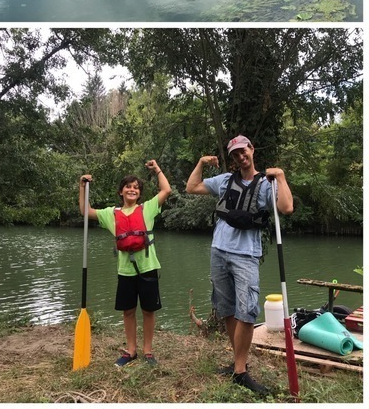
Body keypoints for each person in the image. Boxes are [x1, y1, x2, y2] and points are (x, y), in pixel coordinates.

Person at [186, 135, 294, 395]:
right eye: (235, 154)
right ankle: (239, 366)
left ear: (251, 150)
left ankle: (241, 371)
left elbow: (287, 207)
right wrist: (201, 163)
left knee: (246, 312)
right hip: (218, 251)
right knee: (227, 310)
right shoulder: (225, 180)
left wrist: (280, 177)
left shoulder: (266, 184)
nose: (240, 156)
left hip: (246, 255)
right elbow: (192, 187)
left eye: (243, 151)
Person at [79, 160, 172, 367]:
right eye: (128, 186)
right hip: (125, 271)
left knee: (148, 311)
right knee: (128, 311)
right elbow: (86, 211)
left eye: (136, 188)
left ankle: (148, 351)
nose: (132, 189)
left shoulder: (148, 208)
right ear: (121, 191)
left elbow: (166, 190)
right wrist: (82, 186)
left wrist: (157, 169)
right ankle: (131, 351)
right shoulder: (110, 214)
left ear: (139, 194)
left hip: (148, 267)